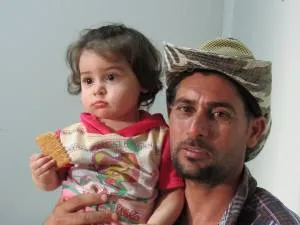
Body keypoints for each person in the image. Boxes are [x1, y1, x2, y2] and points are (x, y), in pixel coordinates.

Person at [43, 37, 300, 225]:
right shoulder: (130, 188)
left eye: (220, 114)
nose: (195, 129)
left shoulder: (272, 222)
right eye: (185, 109)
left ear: (254, 130)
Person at [30, 24, 184, 225]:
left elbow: (173, 193)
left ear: (143, 82)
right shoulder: (69, 137)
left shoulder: (160, 138)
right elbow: (51, 184)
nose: (97, 89)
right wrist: (42, 175)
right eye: (88, 80)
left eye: (110, 77)